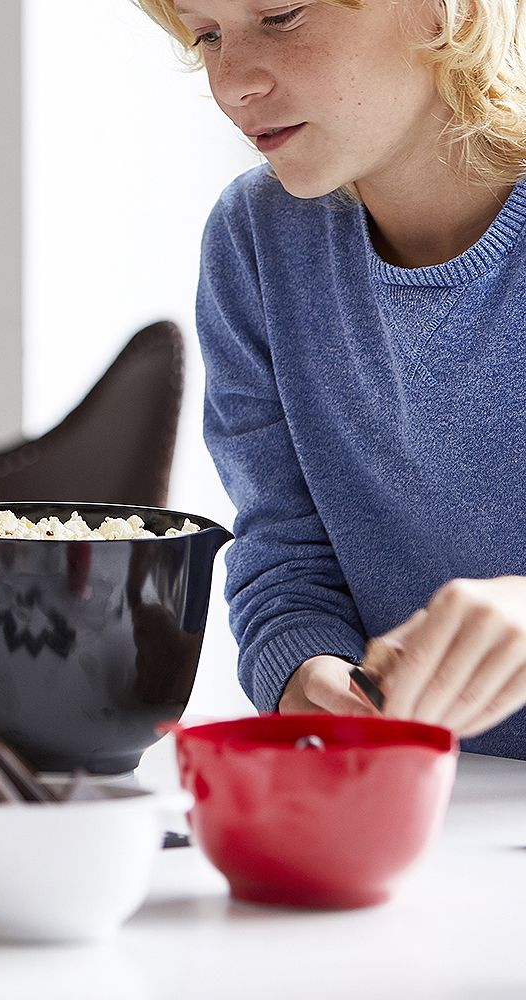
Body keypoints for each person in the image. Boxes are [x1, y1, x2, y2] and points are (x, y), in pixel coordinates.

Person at [133, 0, 526, 755]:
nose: (231, 83)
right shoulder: (256, 241)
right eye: (207, 34)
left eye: (280, 15)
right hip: (432, 813)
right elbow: (285, 549)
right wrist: (306, 675)